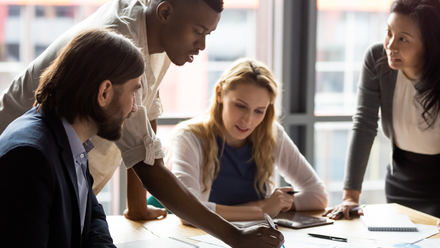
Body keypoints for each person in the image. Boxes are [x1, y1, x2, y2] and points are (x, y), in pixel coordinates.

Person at [0, 0, 222, 221]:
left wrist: (138, 206)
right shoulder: (121, 42)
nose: (202, 45)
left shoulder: (163, 31)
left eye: (208, 34)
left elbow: (146, 116)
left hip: (69, 169)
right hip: (25, 165)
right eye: (198, 31)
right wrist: (236, 237)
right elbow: (149, 168)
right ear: (165, 12)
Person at [0, 28, 143, 248]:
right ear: (104, 92)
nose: (134, 108)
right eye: (133, 92)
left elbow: (93, 216)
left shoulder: (69, 138)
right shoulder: (29, 157)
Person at [162, 58, 328, 222]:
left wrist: (278, 204)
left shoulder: (271, 133)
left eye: (259, 111)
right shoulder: (188, 138)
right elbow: (188, 210)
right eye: (240, 106)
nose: (247, 121)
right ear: (220, 93)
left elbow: (318, 195)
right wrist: (262, 209)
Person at [323, 0, 440, 219]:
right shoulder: (377, 59)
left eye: (403, 38)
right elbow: (364, 124)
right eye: (389, 32)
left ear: (430, 43)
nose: (390, 45)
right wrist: (350, 197)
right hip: (400, 179)